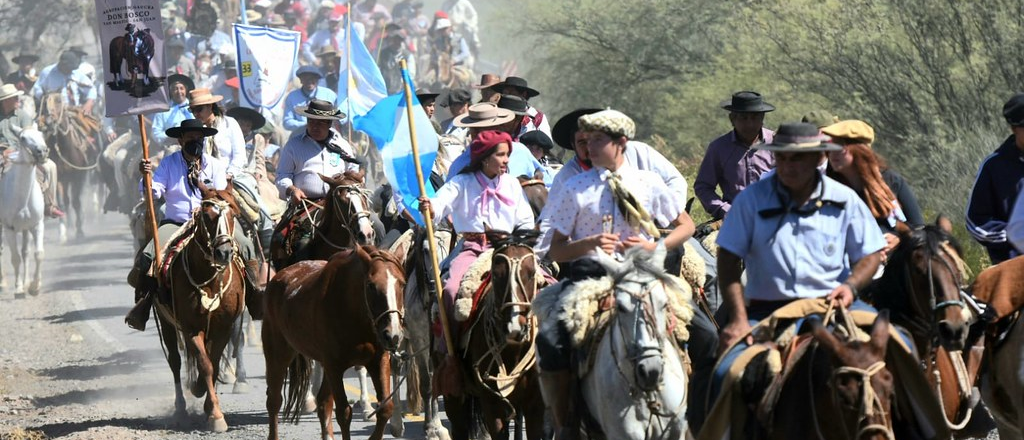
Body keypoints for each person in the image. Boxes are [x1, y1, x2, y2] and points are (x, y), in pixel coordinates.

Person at [538, 109, 695, 438]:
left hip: (643, 274)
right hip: (591, 280)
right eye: (587, 141)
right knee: (550, 340)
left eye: (598, 140)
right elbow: (557, 250)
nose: (589, 147)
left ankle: (695, 411)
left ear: (620, 143)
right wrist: (589, 242)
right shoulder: (575, 187)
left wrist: (657, 247)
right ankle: (565, 421)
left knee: (706, 334)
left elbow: (686, 226)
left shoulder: (648, 183)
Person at [124, 119, 260, 331]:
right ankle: (144, 305)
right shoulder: (169, 164)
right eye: (190, 138)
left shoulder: (215, 165)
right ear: (180, 140)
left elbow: (224, 194)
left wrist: (207, 193)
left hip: (212, 222)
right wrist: (147, 178)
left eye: (199, 138)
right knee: (149, 255)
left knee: (245, 245)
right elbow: (154, 191)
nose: (195, 142)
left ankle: (255, 298)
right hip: (177, 223)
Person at [417, 130, 534, 328]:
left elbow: (525, 221)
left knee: (548, 284)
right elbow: (440, 203)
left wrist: (521, 242)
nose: (506, 160)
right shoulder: (462, 182)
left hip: (509, 248)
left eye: (507, 155)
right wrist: (430, 207)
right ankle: (448, 353)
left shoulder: (512, 184)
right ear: (484, 158)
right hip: (472, 248)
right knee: (451, 291)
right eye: (500, 155)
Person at [823, 119, 924, 260]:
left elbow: (919, 228)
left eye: (839, 146)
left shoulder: (891, 181)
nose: (832, 153)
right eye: (829, 147)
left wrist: (898, 239)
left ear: (859, 149)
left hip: (893, 268)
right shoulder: (827, 189)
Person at [694, 91, 776, 220]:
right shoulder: (719, 148)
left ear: (762, 119)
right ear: (732, 119)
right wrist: (724, 209)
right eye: (743, 118)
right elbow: (703, 187)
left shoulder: (777, 143)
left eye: (755, 118)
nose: (749, 124)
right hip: (736, 219)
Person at [966, 92, 1024, 264]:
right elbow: (975, 222)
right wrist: (1015, 236)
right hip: (1012, 267)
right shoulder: (994, 166)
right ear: (1014, 129)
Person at [0, 84, 63, 218]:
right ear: (5, 101)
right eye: (14, 98)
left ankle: (50, 204)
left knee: (51, 166)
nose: (18, 100)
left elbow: (30, 136)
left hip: (24, 153)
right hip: (2, 155)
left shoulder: (23, 116)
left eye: (17, 97)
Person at [446, 102, 546, 180]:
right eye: (475, 129)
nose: (479, 134)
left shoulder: (520, 152)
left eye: (485, 129)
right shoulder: (460, 164)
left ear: (497, 127)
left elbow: (546, 183)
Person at [187, 88, 247, 178]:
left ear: (210, 106)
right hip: (205, 178)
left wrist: (230, 174)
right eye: (192, 110)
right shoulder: (197, 131)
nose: (196, 114)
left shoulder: (229, 123)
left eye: (199, 109)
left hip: (232, 175)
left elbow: (240, 154)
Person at [32, 51, 96, 115]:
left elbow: (91, 89)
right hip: (53, 111)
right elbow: (37, 88)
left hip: (75, 110)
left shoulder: (77, 73)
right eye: (68, 68)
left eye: (71, 69)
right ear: (62, 65)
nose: (70, 71)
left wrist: (89, 103)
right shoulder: (47, 72)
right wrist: (44, 97)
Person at [301, 7, 366, 66]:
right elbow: (306, 45)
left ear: (341, 22)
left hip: (342, 67)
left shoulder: (346, 34)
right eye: (332, 22)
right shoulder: (320, 34)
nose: (334, 24)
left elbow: (355, 48)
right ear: (328, 22)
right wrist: (313, 59)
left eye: (336, 22)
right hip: (324, 67)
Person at [283, 65, 338, 132]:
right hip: (301, 135)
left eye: (312, 78)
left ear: (317, 80)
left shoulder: (329, 95)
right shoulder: (292, 97)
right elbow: (287, 122)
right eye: (305, 78)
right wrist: (306, 125)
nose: (309, 81)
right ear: (300, 80)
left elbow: (338, 115)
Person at [150, 74, 195, 148]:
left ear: (186, 90)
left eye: (181, 88)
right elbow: (156, 133)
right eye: (175, 89)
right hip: (171, 147)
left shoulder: (195, 107)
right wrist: (171, 137)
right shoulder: (163, 110)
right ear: (170, 91)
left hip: (193, 145)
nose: (179, 92)